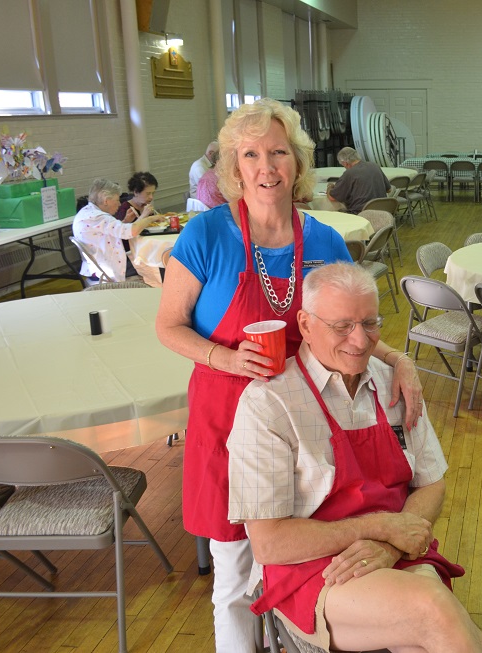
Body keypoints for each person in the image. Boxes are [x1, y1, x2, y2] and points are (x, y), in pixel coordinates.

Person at [155, 98, 423, 653]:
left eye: (277, 152)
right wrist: (226, 359)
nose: (265, 167)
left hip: (306, 429)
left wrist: (397, 358)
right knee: (234, 578)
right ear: (234, 166)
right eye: (250, 154)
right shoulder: (205, 236)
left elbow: (346, 327)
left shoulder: (323, 241)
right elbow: (168, 326)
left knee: (309, 560)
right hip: (227, 423)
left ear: (297, 162)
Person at [228, 263, 482, 653]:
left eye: (370, 323)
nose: (360, 340)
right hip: (311, 569)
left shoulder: (393, 384)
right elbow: (270, 544)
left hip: (394, 551)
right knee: (433, 608)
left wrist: (391, 545)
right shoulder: (268, 403)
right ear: (305, 324)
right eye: (342, 326)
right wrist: (382, 527)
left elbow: (432, 483)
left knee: (431, 630)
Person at [72, 178, 157, 282]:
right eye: (117, 200)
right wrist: (151, 218)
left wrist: (125, 222)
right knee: (154, 261)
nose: (119, 204)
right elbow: (132, 231)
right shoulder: (98, 217)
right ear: (106, 200)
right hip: (107, 269)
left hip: (97, 265)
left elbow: (111, 232)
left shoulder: (87, 212)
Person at [326, 146, 391, 213]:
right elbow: (389, 190)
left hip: (361, 214)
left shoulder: (349, 173)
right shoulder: (375, 166)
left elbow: (332, 198)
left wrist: (330, 186)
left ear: (345, 163)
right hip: (383, 212)